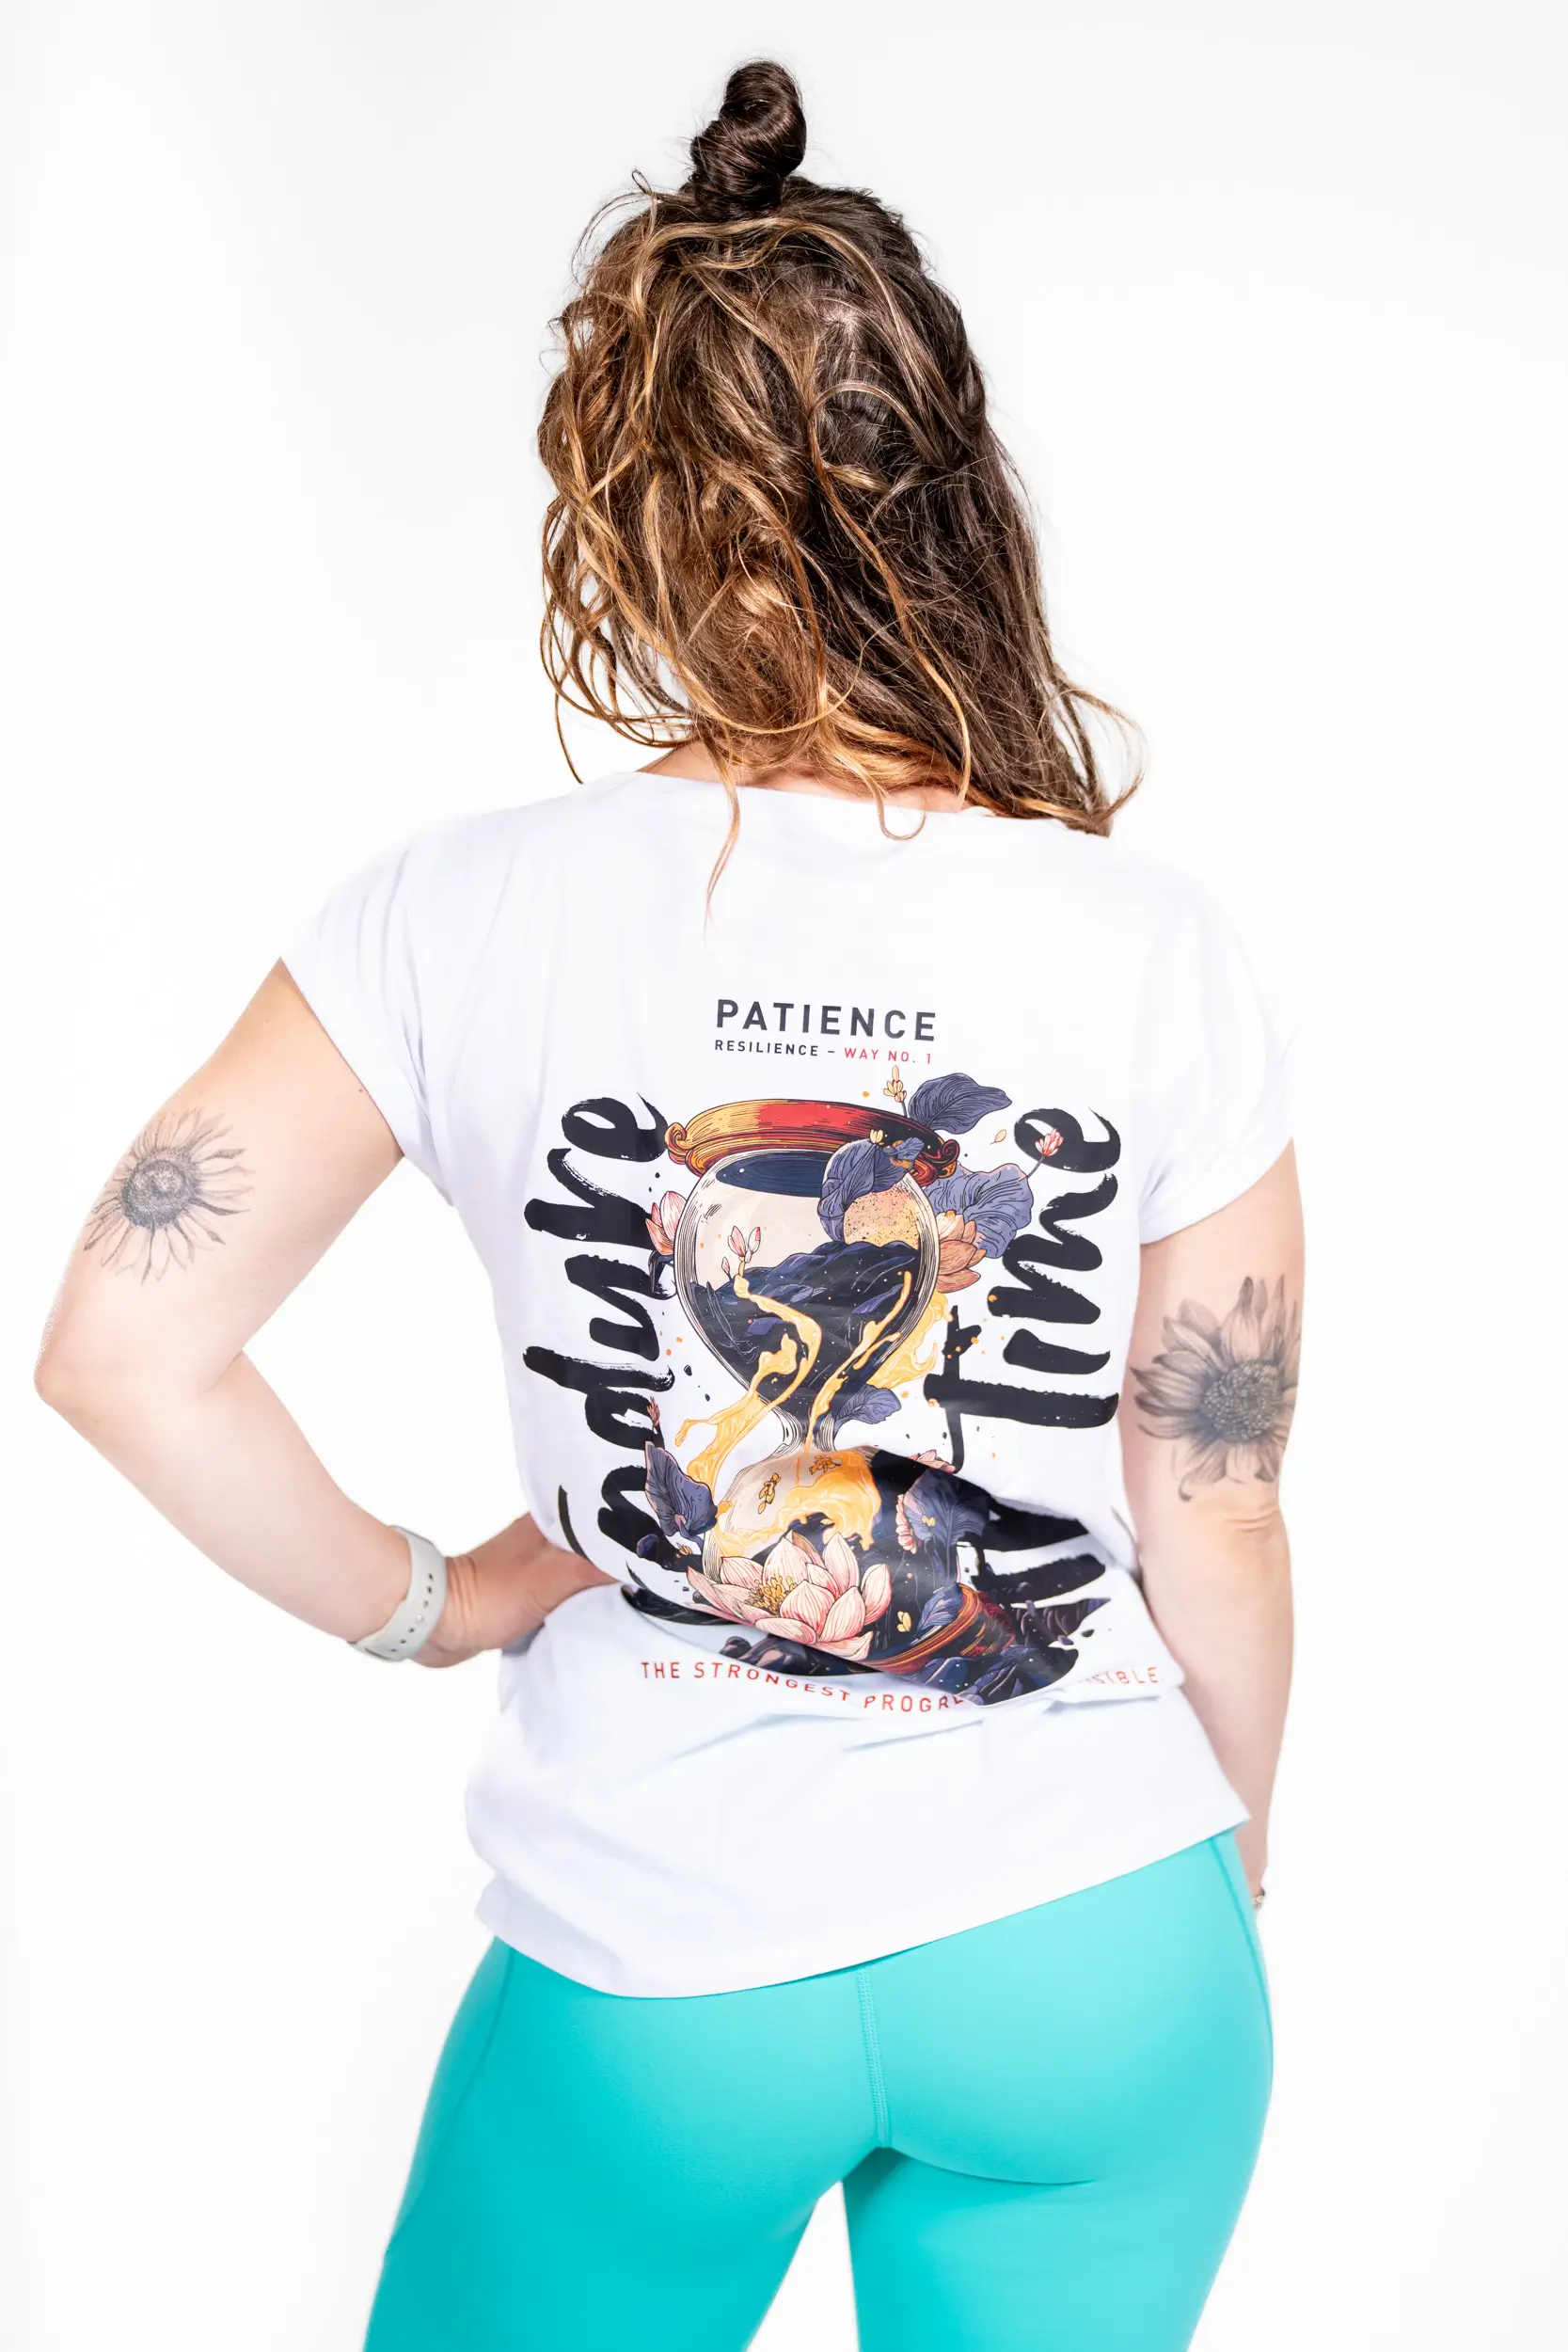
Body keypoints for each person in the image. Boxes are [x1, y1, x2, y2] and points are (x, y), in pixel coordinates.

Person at [37, 59, 1301, 2352]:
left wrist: (429, 1601)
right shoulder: (1147, 940)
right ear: (946, 480)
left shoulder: (452, 916)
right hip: (1101, 1947)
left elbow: (122, 1343)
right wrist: (1220, 1861)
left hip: (659, 1966)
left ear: (617, 513)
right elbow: (1210, 1493)